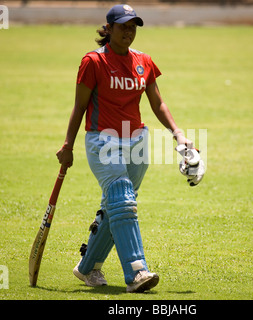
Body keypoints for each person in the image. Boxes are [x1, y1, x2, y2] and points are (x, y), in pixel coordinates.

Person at [56, 4, 203, 293]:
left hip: (137, 142)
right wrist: (68, 146)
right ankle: (137, 272)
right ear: (108, 29)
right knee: (123, 200)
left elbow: (157, 103)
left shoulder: (143, 61)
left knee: (117, 206)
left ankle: (87, 268)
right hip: (102, 140)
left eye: (133, 25)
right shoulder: (93, 62)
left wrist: (179, 135)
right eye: (123, 26)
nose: (129, 31)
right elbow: (80, 106)